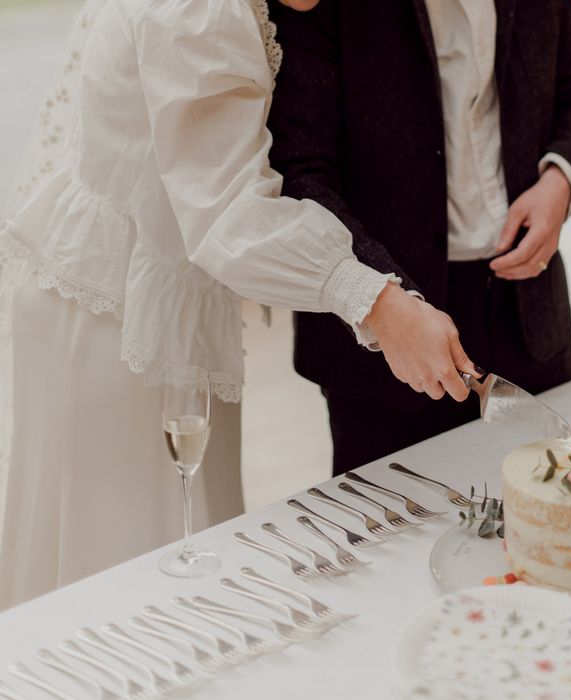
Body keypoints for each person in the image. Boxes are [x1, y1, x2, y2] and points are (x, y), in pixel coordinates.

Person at [0, 0, 478, 611]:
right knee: (138, 582)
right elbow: (228, 213)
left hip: (142, 295)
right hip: (120, 322)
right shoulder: (202, 12)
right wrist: (378, 302)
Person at [267, 0, 571, 475]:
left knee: (554, 518)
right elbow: (298, 171)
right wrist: (380, 301)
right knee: (393, 539)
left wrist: (561, 182)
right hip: (383, 340)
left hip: (530, 314)